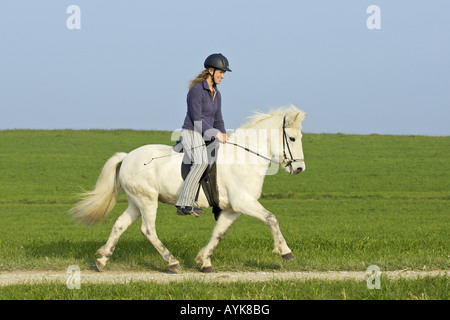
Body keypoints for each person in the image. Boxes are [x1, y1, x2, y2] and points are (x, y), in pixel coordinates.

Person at [175, 53, 231, 216]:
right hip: (192, 131)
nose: (222, 76)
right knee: (201, 162)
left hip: (207, 134)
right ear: (210, 71)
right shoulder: (197, 90)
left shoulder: (217, 94)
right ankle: (184, 204)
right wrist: (216, 134)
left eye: (223, 73)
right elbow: (197, 120)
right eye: (220, 72)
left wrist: (223, 134)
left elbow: (218, 119)